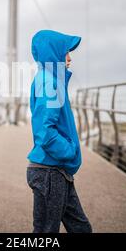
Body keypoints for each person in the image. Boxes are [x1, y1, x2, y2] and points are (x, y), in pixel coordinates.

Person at [26, 29, 93, 233]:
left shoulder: (48, 80)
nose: (70, 58)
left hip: (56, 170)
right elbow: (45, 133)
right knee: (46, 232)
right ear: (53, 53)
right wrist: (69, 150)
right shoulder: (49, 84)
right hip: (50, 172)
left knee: (80, 228)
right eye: (66, 52)